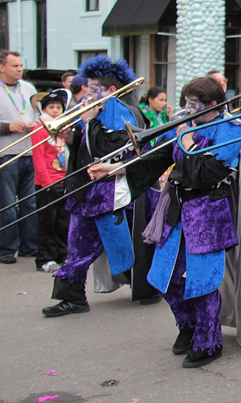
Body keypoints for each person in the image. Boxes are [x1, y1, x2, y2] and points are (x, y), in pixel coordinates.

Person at [92, 76, 241, 367]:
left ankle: (209, 342)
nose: (187, 107)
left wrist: (186, 138)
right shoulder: (185, 123)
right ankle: (188, 325)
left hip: (209, 215)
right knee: (163, 278)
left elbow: (207, 172)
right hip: (176, 209)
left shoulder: (232, 129)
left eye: (193, 103)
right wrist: (115, 169)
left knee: (203, 283)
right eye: (186, 101)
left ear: (212, 104)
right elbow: (156, 158)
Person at [42, 56, 158, 316]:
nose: (88, 92)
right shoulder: (98, 109)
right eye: (88, 86)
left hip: (113, 191)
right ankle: (73, 296)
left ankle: (147, 286)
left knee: (120, 242)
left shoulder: (122, 111)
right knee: (79, 243)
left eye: (94, 88)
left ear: (111, 90)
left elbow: (114, 150)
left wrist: (89, 121)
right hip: (89, 189)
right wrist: (70, 137)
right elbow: (87, 148)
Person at [0, 50, 38, 264]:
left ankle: (29, 246)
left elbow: (39, 115)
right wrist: (7, 127)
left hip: (29, 152)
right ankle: (6, 249)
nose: (19, 69)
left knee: (29, 203)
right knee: (7, 205)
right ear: (1, 67)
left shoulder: (28, 88)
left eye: (21, 65)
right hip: (6, 153)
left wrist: (35, 123)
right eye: (14, 66)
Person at [31, 90, 70, 272]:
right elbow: (39, 159)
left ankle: (62, 255)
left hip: (63, 180)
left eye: (58, 107)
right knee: (47, 222)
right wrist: (47, 183)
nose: (55, 110)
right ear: (44, 110)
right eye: (51, 107)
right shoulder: (40, 129)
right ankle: (45, 258)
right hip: (46, 183)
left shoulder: (63, 129)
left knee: (63, 221)